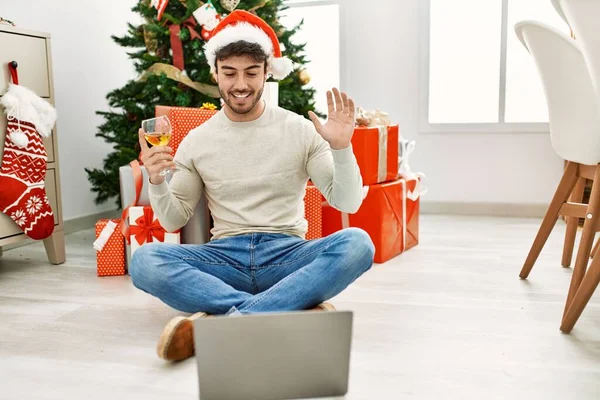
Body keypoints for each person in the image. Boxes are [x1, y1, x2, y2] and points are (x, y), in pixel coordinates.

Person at [129, 10, 375, 362]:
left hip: (287, 254)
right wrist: (156, 181)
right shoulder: (198, 141)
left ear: (266, 73)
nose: (240, 84)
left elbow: (347, 202)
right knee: (145, 261)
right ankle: (278, 312)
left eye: (251, 72)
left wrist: (341, 147)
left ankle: (229, 321)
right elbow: (171, 221)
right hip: (224, 256)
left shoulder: (300, 129)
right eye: (229, 73)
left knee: (358, 243)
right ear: (215, 73)